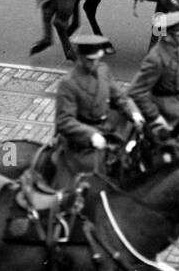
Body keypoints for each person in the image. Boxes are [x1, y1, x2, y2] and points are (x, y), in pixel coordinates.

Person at [52, 34, 143, 184]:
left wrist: (134, 113)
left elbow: (119, 97)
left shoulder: (103, 70)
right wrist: (91, 135)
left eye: (97, 59)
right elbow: (64, 121)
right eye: (90, 60)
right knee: (89, 181)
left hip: (106, 128)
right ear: (80, 58)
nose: (94, 63)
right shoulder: (68, 83)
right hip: (80, 142)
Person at [128, 11, 179, 153]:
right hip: (164, 112)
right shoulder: (156, 59)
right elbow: (135, 92)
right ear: (170, 36)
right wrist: (154, 116)